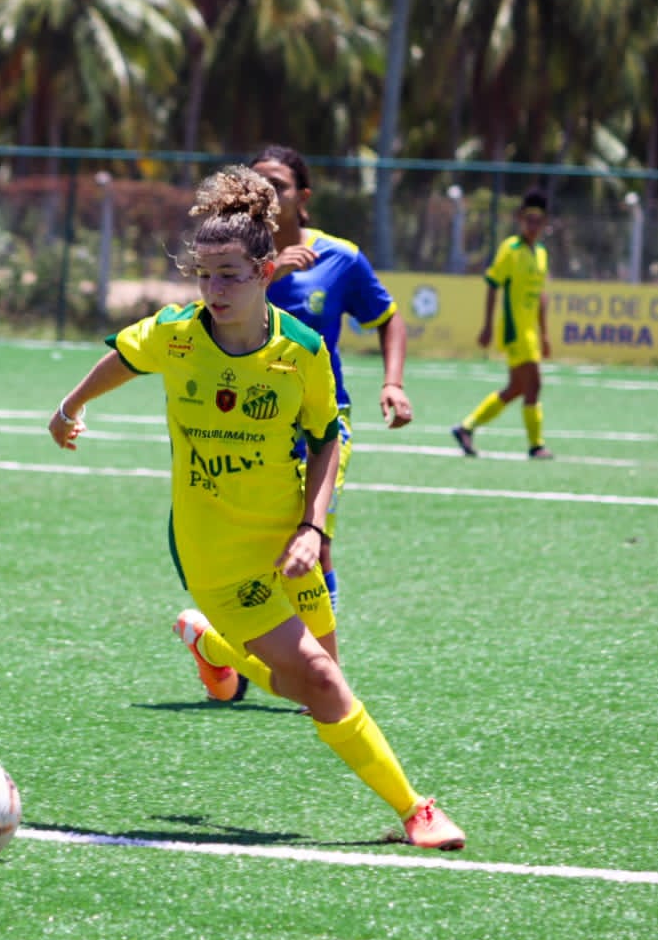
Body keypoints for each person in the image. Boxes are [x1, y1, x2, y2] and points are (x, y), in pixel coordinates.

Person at [46, 166, 465, 850]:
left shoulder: (299, 352)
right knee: (321, 682)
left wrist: (311, 526)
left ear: (265, 271)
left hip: (287, 537)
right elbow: (122, 358)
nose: (214, 290)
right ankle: (416, 810)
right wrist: (69, 408)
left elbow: (328, 436)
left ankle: (211, 646)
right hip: (217, 552)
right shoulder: (174, 335)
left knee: (317, 684)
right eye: (204, 275)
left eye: (231, 274)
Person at [178, 145, 412, 703]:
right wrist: (268, 272)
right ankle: (217, 649)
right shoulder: (236, 257)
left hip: (320, 425)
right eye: (256, 182)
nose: (266, 194)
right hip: (246, 427)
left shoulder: (341, 258)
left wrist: (393, 382)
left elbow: (388, 318)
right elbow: (193, 319)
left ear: (302, 197)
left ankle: (327, 675)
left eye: (278, 185)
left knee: (314, 539)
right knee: (262, 551)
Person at [451, 190, 552, 459]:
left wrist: (545, 334)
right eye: (529, 219)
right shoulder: (511, 249)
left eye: (538, 221)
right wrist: (486, 326)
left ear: (544, 224)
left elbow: (541, 296)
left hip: (531, 330)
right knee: (535, 384)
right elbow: (493, 286)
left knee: (517, 388)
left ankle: (466, 427)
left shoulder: (541, 253)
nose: (533, 225)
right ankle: (536, 445)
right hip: (515, 330)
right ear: (521, 220)